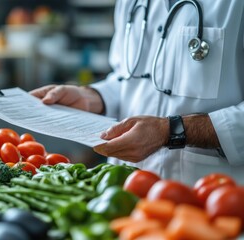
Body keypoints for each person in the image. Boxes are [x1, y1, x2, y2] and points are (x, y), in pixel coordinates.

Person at [30, 0, 244, 186]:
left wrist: (169, 132)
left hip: (210, 197)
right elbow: (126, 78)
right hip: (123, 190)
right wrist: (92, 97)